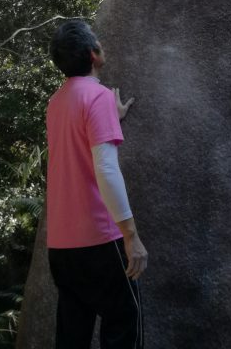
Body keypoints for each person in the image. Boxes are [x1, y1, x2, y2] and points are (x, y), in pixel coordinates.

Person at [46, 18, 148, 349]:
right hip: (100, 242)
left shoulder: (55, 104)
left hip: (62, 246)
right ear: (93, 54)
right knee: (124, 326)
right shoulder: (98, 97)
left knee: (71, 337)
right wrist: (130, 235)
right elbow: (105, 168)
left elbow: (77, 144)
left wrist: (110, 117)